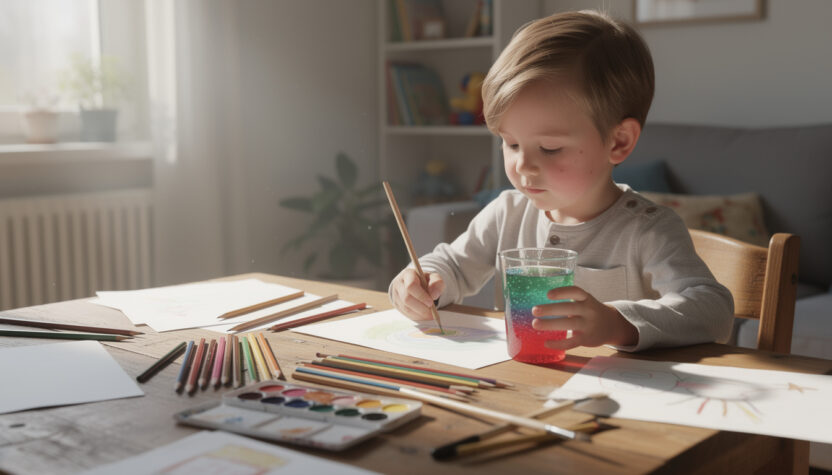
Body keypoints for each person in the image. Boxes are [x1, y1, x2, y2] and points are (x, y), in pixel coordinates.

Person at [388, 10, 734, 352]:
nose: (523, 165)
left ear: (619, 142)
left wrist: (617, 322)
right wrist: (420, 284)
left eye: (550, 148)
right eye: (511, 143)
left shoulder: (649, 231)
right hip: (520, 390)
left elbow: (713, 309)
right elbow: (451, 266)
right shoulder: (506, 213)